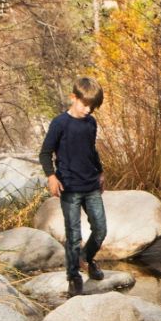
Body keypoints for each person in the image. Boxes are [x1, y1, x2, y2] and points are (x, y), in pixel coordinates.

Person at [40, 76, 107, 296]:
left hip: (91, 185)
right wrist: (51, 177)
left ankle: (86, 259)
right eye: (85, 104)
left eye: (93, 106)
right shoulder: (60, 123)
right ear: (73, 97)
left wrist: (100, 172)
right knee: (74, 234)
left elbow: (91, 150)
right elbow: (45, 153)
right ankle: (73, 276)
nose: (88, 110)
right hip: (69, 187)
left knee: (100, 229)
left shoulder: (90, 123)